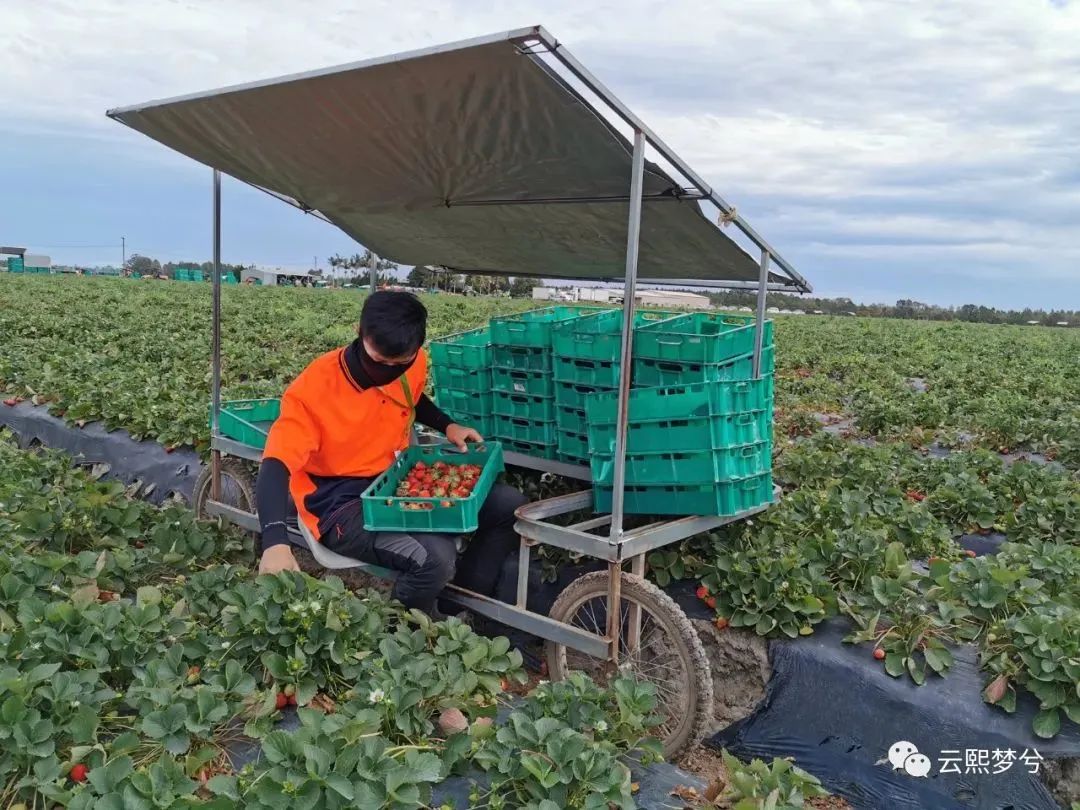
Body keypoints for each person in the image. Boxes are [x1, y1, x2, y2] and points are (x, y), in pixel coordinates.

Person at [255, 290, 526, 617]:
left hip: (397, 480)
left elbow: (411, 396)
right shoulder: (315, 389)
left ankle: (460, 606)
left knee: (508, 506)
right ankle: (412, 638)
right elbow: (275, 465)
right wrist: (275, 542)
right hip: (341, 503)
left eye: (400, 364)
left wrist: (447, 425)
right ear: (360, 331)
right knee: (434, 558)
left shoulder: (414, 362)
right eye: (379, 362)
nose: (387, 371)